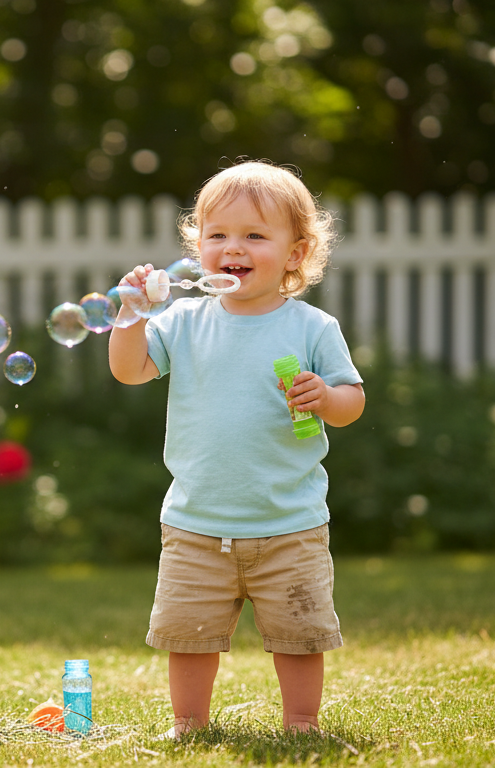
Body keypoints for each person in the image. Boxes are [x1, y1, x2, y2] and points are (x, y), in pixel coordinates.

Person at [108, 160, 366, 739]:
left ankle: (302, 724)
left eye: (254, 235)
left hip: (290, 523)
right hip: (197, 521)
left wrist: (325, 395)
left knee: (299, 636)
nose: (233, 247)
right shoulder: (182, 320)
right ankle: (188, 725)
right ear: (198, 246)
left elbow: (352, 403)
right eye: (217, 234)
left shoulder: (312, 328)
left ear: (296, 254)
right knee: (189, 636)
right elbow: (129, 371)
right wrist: (130, 316)